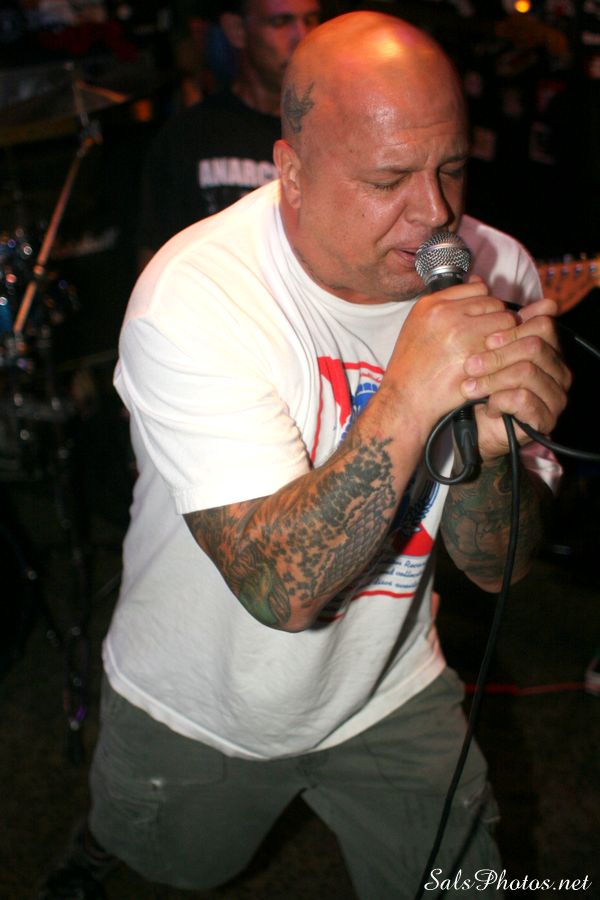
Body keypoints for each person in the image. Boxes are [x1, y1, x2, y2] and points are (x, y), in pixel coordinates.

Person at [39, 11, 571, 900]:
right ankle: (103, 837)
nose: (435, 214)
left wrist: (488, 451)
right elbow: (279, 588)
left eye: (449, 168)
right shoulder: (195, 295)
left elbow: (499, 566)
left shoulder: (497, 270)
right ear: (290, 173)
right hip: (203, 698)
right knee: (169, 862)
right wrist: (411, 396)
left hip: (388, 684)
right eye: (388, 179)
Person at [137, 0, 322, 269]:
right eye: (281, 22)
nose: (302, 37)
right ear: (236, 30)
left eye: (311, 20)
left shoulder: (334, 134)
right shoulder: (187, 136)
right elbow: (155, 261)